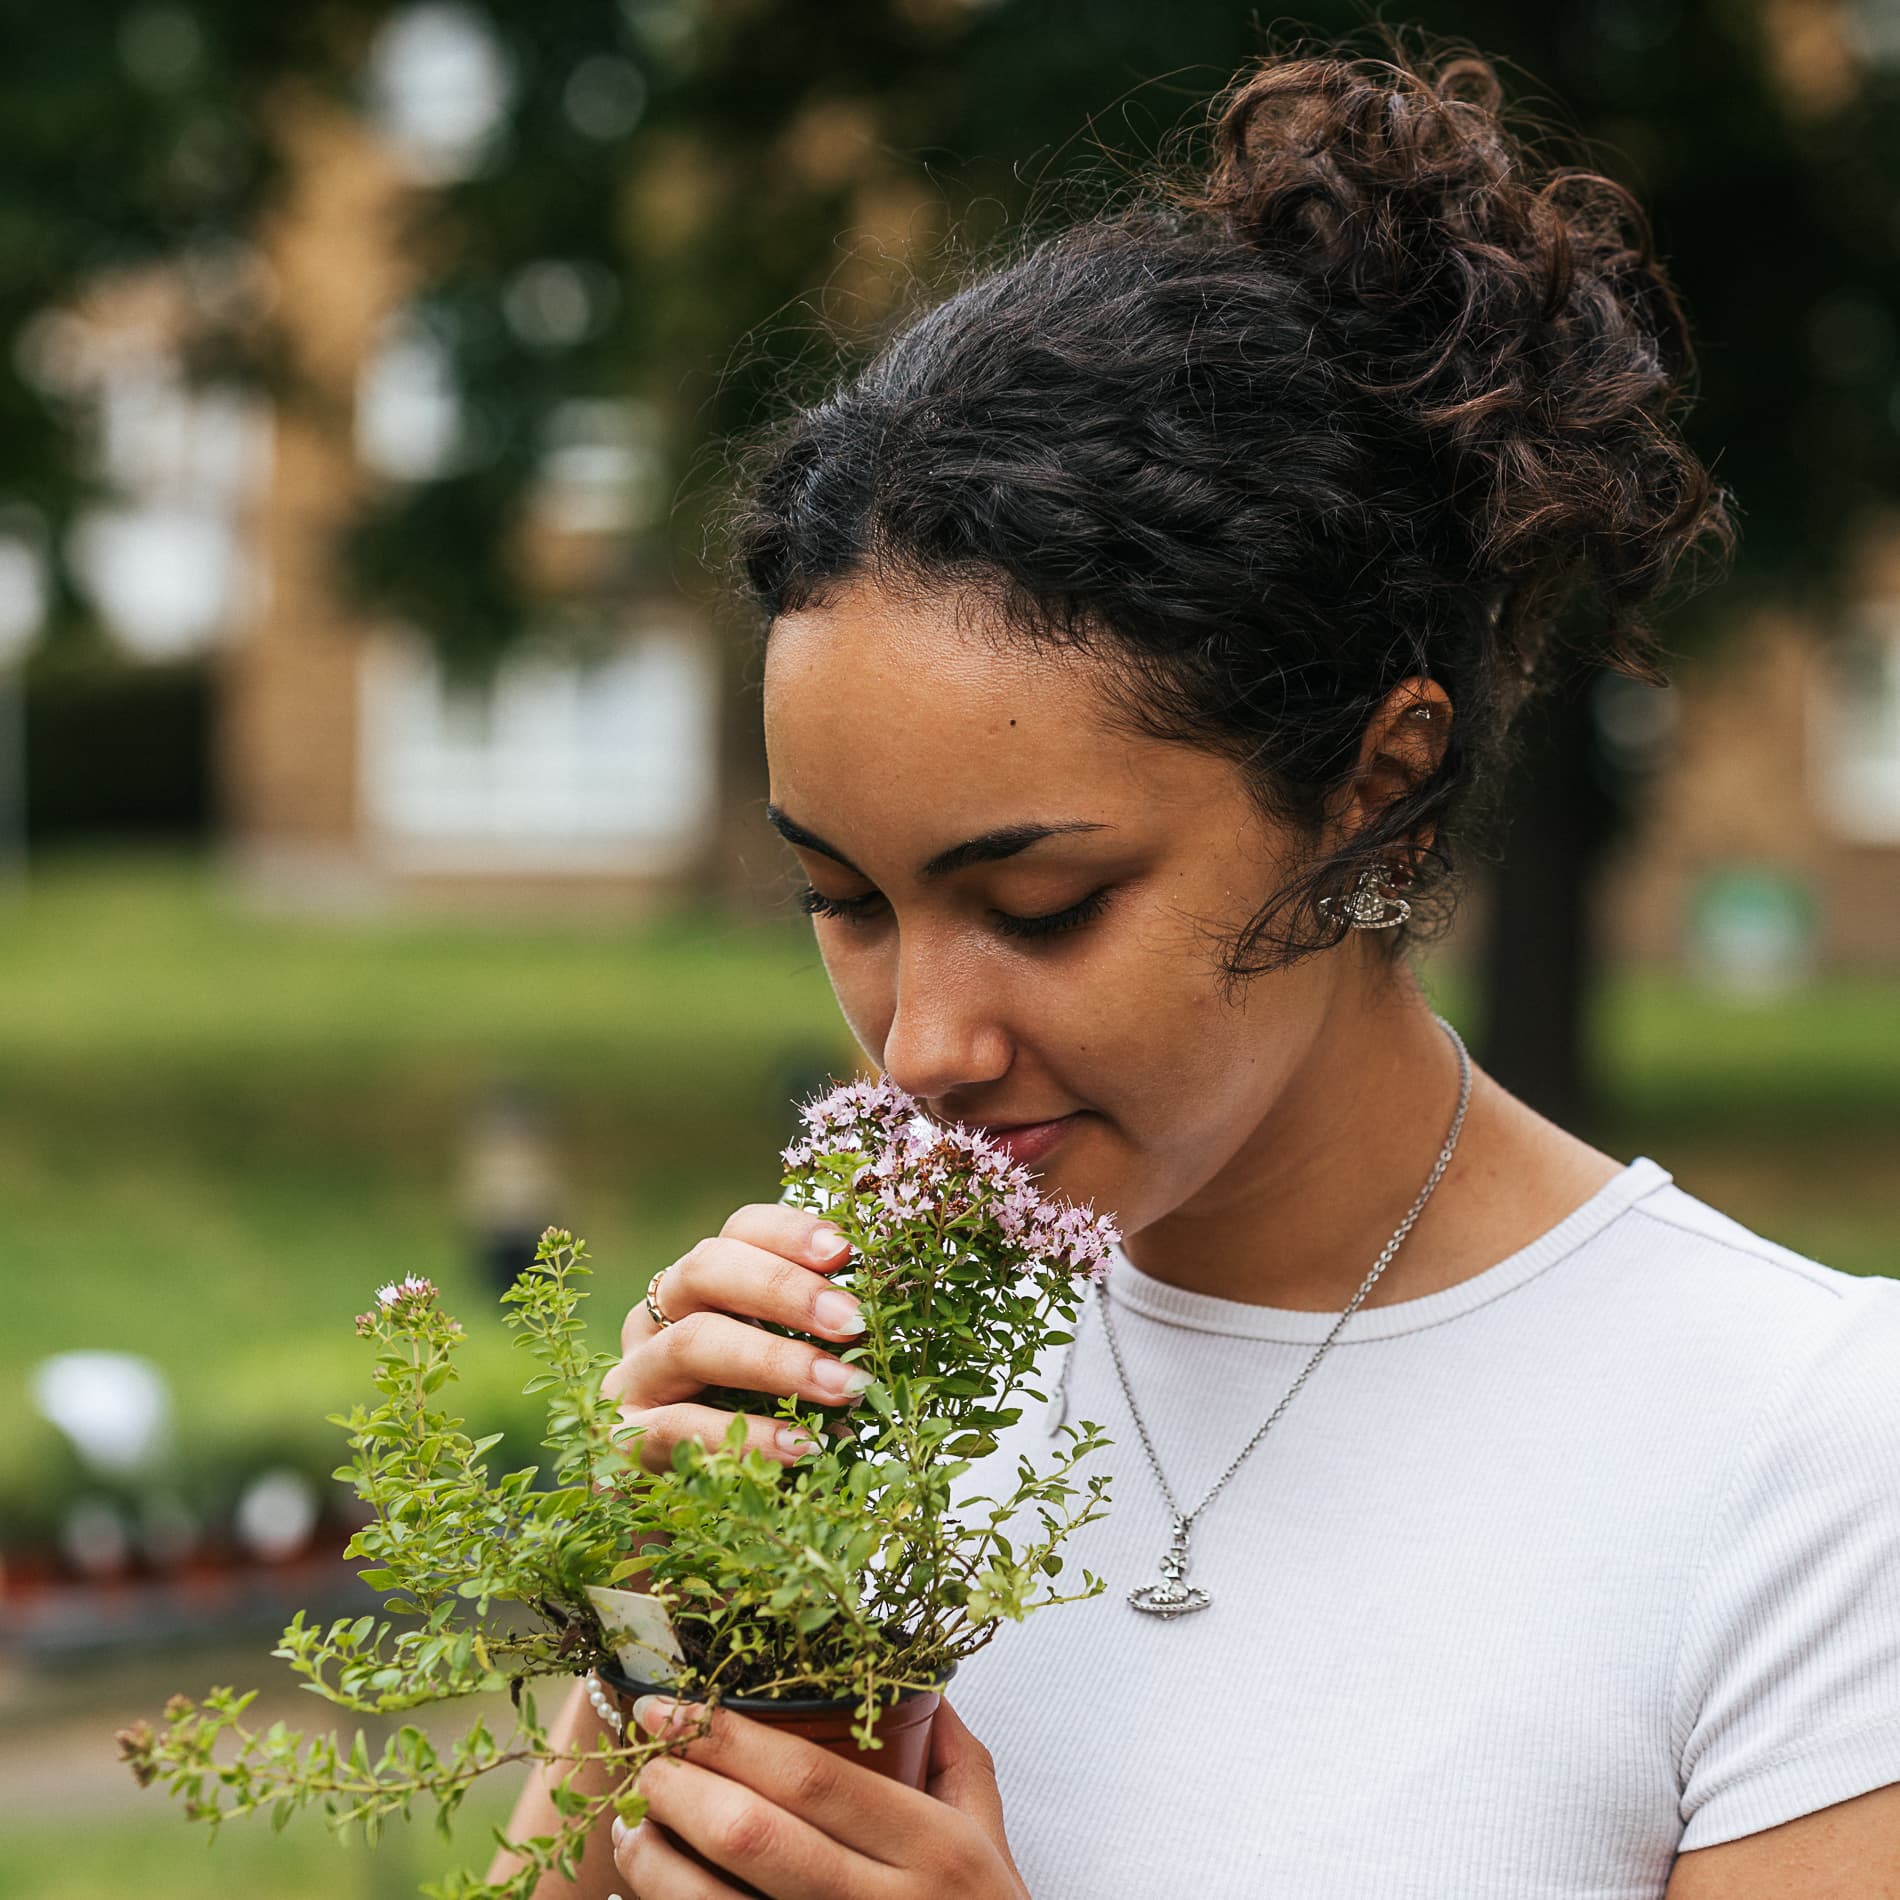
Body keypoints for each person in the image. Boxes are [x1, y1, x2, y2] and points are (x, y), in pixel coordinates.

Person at [496, 37, 1900, 1900]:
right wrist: (646, 1618)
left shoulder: (1798, 1451)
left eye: (1045, 902)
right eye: (843, 899)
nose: (920, 1045)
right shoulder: (863, 1395)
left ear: (1373, 793)